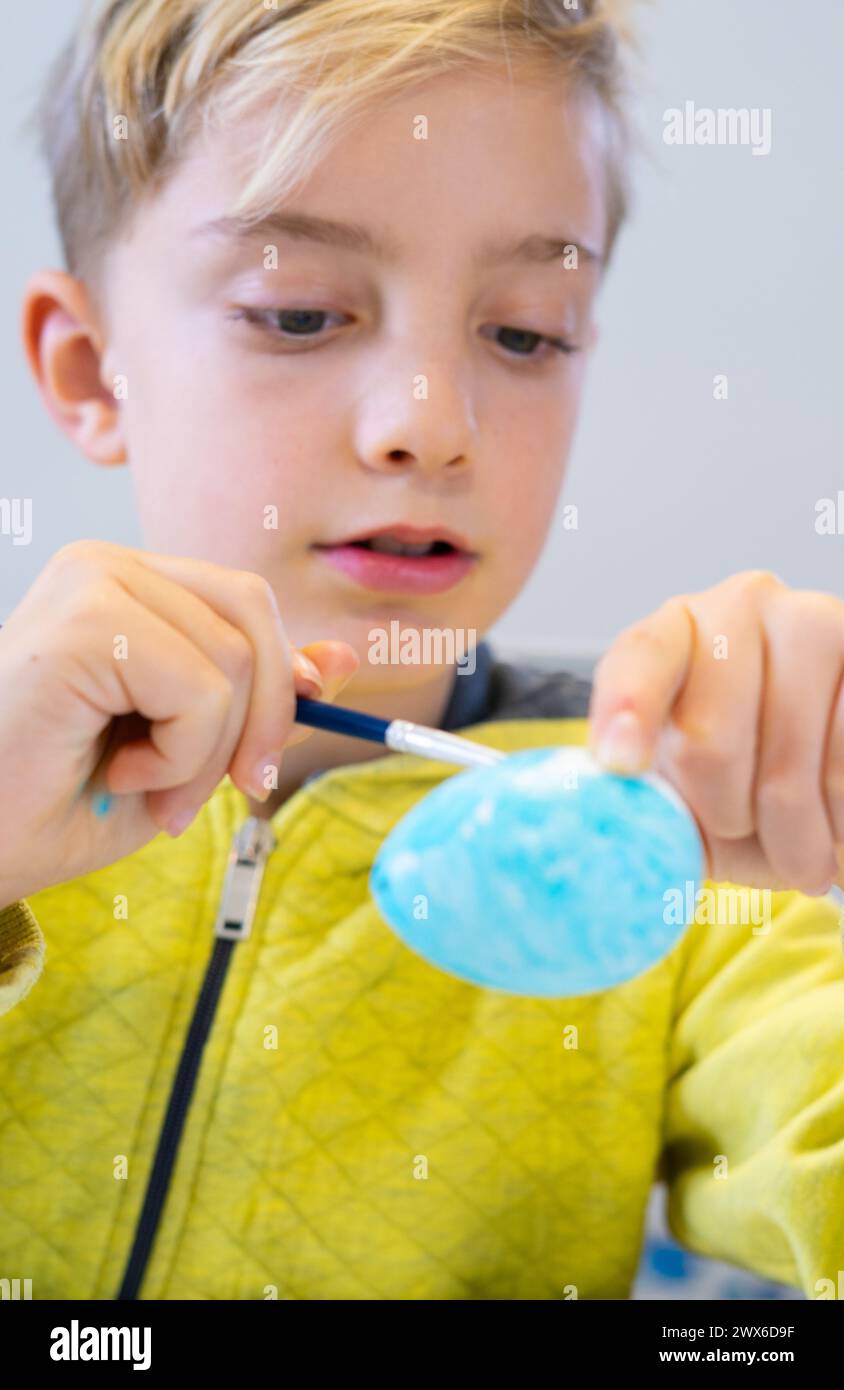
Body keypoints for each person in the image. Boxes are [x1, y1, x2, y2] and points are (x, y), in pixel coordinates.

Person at [1, 0, 842, 1301]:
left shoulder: (691, 852)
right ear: (89, 372)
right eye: (295, 313)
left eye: (524, 333)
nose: (429, 425)